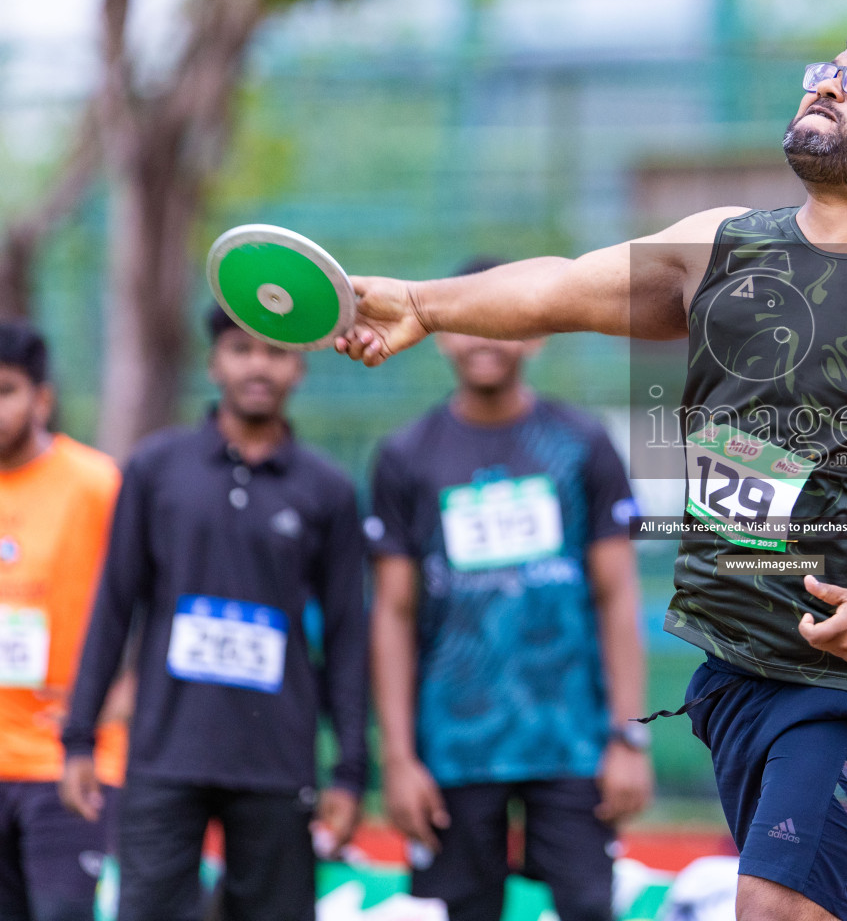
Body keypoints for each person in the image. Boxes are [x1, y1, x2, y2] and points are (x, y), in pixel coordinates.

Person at [335, 21, 847, 921]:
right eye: (821, 71)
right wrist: (420, 305)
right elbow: (557, 286)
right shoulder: (722, 245)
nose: (824, 86)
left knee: (773, 905)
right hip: (737, 670)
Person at [60, 306, 369, 921]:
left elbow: (345, 634)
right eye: (241, 348)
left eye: (275, 352)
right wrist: (79, 737)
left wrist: (351, 771)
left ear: (300, 367)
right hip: (165, 752)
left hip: (277, 759)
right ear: (214, 362)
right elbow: (115, 603)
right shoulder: (156, 469)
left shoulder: (326, 489)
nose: (258, 365)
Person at [368, 257, 652, 921]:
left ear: (535, 332)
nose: (483, 339)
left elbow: (617, 597)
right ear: (441, 333)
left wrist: (628, 738)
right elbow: (393, 613)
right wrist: (400, 757)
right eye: (468, 321)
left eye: (501, 321)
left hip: (573, 740)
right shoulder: (407, 455)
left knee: (588, 907)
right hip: (453, 749)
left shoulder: (581, 444)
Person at [0, 322, 125, 921]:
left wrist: (119, 699)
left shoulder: (97, 485)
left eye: (5, 391)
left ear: (42, 398)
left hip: (67, 764)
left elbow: (147, 602)